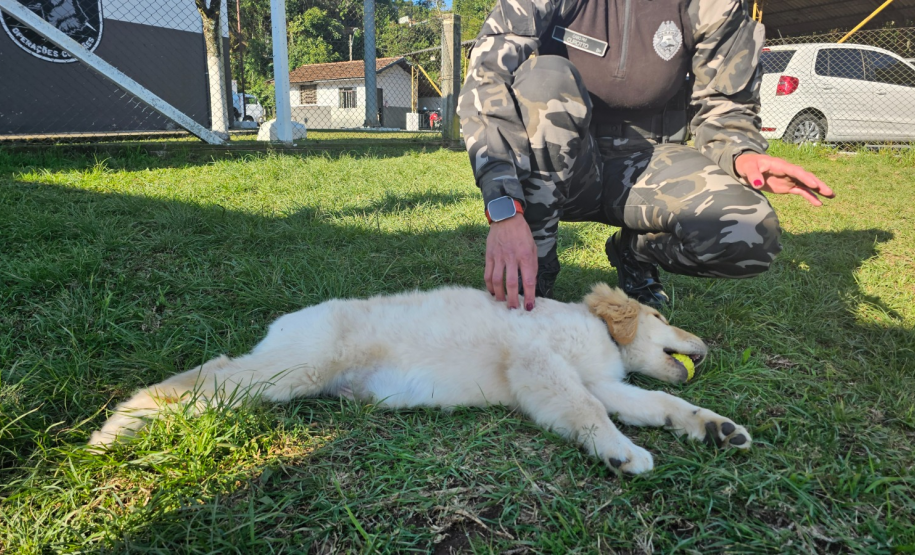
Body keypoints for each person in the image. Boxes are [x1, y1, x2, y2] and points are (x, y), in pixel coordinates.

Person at [457, 0, 835, 311]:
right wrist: (504, 207)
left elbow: (726, 106)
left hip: (649, 161)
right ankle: (534, 271)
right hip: (563, 166)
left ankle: (635, 253)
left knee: (749, 232)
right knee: (546, 79)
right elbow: (487, 80)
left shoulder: (711, 5)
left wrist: (740, 154)